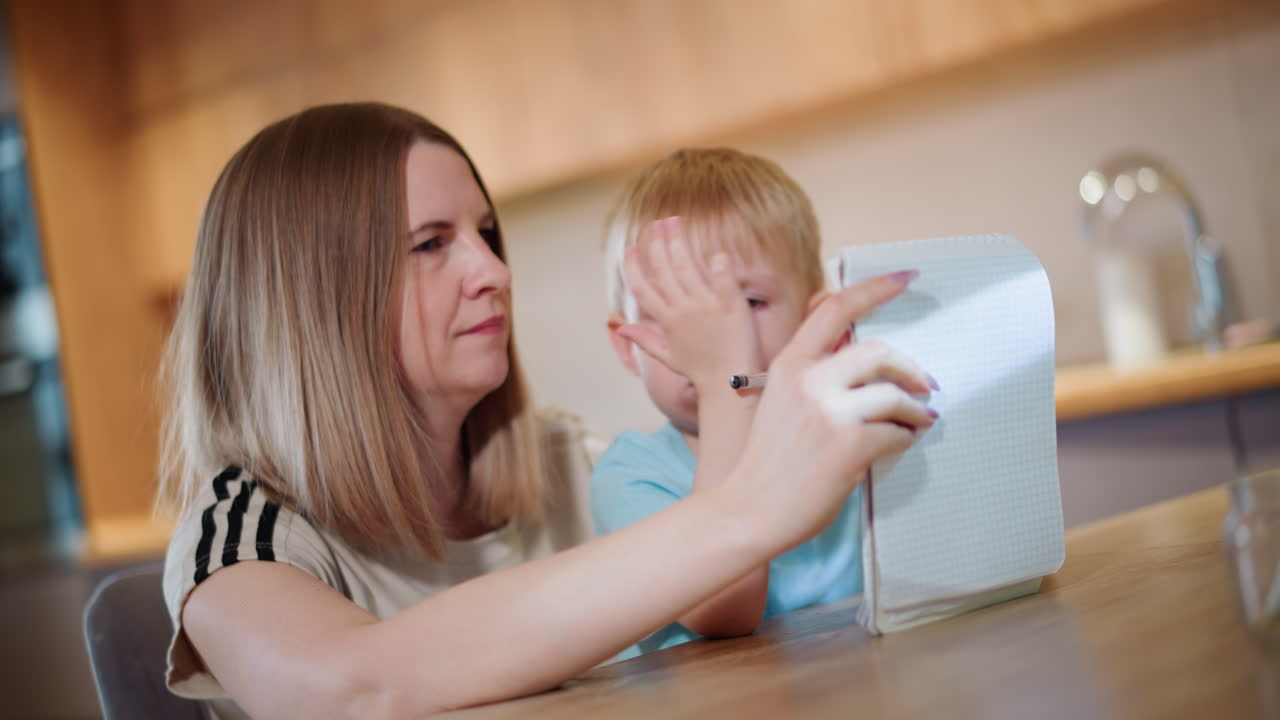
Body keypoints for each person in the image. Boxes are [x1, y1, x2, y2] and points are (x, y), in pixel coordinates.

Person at [157, 102, 935, 720]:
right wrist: (751, 506)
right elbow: (341, 693)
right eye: (432, 244)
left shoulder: (567, 460)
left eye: (487, 234)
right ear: (310, 300)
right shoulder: (241, 533)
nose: (494, 271)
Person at [593, 148, 937, 657]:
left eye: (749, 303)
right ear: (628, 347)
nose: (715, 336)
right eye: (675, 309)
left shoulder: (848, 440)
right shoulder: (629, 476)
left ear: (813, 319)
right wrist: (724, 385)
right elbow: (724, 610)